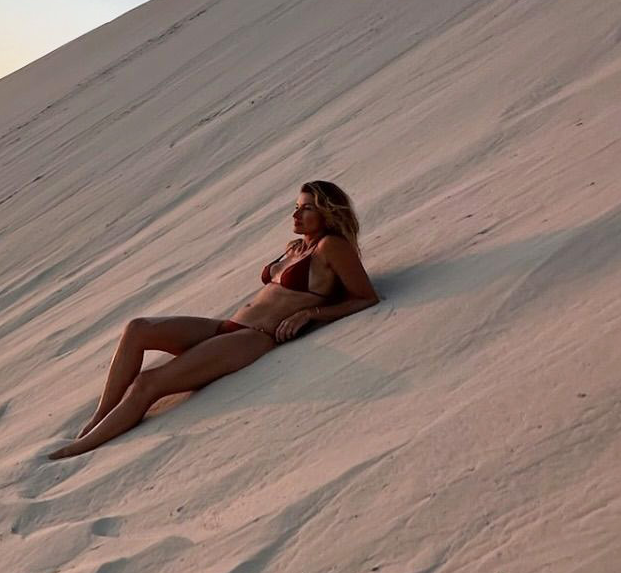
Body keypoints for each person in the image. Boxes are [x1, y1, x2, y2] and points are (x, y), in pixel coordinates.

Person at [46, 179, 378, 460]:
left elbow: (365, 297)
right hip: (227, 326)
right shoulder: (295, 247)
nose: (296, 214)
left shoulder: (331, 247)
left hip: (253, 338)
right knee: (137, 329)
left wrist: (310, 313)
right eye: (296, 206)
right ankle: (100, 417)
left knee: (148, 383)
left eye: (306, 208)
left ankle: (83, 448)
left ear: (327, 212)